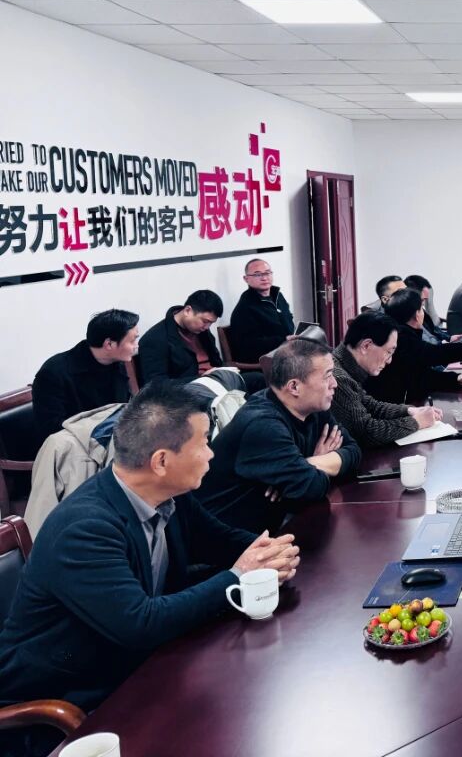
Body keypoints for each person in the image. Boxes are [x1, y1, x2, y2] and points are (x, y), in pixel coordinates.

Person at [0, 381, 299, 742]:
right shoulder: (85, 529)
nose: (211, 454)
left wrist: (272, 552)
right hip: (66, 704)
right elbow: (141, 623)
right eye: (204, 443)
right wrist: (240, 576)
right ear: (161, 461)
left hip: (136, 666)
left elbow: (218, 540)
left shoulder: (168, 493)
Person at [194, 338, 361, 534]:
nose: (335, 384)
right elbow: (312, 488)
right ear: (294, 387)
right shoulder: (263, 425)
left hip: (274, 527)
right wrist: (312, 470)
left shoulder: (313, 408)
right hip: (228, 541)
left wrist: (306, 463)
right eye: (328, 376)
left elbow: (354, 452)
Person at [368, 288, 462, 405]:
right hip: (391, 408)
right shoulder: (400, 337)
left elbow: (420, 374)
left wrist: (455, 379)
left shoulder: (400, 331)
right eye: (422, 309)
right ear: (417, 315)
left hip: (405, 401)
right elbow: (434, 354)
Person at [331, 312, 442, 448]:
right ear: (366, 346)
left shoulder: (347, 366)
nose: (389, 361)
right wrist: (417, 422)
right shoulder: (338, 378)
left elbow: (371, 406)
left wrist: (409, 411)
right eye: (389, 352)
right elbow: (367, 432)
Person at [32, 309, 138, 447]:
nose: (136, 346)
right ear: (109, 344)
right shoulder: (53, 373)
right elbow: (52, 431)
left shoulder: (116, 362)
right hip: (74, 448)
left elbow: (121, 408)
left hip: (111, 441)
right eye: (133, 340)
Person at [137, 290, 225, 385]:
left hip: (215, 383)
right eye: (205, 321)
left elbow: (217, 362)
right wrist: (201, 379)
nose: (207, 327)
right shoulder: (154, 339)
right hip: (189, 390)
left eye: (211, 323)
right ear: (187, 311)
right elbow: (155, 384)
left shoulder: (201, 331)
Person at [227, 258, 294, 362]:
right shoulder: (245, 307)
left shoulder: (278, 296)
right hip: (267, 359)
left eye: (267, 273)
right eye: (257, 274)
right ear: (246, 279)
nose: (264, 278)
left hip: (289, 351)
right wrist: (283, 341)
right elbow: (247, 345)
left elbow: (289, 322)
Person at [404, 274, 451, 343]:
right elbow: (428, 342)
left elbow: (434, 329)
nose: (423, 304)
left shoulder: (421, 311)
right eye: (422, 300)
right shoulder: (410, 319)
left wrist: (450, 338)